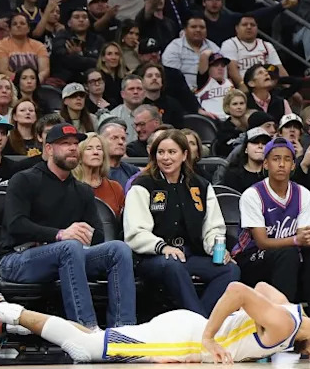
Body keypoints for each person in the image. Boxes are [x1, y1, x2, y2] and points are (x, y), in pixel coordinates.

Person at [0, 281, 310, 363]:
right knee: (87, 350)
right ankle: (4, 308)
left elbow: (262, 286)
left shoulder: (287, 309)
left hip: (184, 330)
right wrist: (211, 339)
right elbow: (236, 289)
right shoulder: (285, 324)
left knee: (97, 338)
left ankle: (10, 324)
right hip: (183, 339)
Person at [0, 123, 136, 330]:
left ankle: (123, 330)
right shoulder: (24, 179)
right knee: (69, 247)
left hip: (68, 257)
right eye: (64, 144)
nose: (72, 148)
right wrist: (60, 234)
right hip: (17, 259)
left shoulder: (82, 190)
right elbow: (16, 225)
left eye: (75, 144)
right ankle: (86, 329)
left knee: (118, 249)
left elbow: (97, 236)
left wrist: (85, 234)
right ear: (49, 149)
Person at [124, 129, 239, 315]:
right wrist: (162, 247)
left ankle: (199, 321)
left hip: (189, 255)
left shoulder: (201, 185)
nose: (166, 158)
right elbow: (135, 232)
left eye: (172, 152)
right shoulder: (142, 185)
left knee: (230, 270)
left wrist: (217, 250)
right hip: (153, 257)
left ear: (184, 155)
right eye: (161, 152)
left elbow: (213, 227)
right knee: (172, 264)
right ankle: (200, 326)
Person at [234, 137, 310, 320]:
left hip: (288, 254)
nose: (281, 164)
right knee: (288, 253)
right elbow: (261, 242)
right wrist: (296, 240)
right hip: (252, 257)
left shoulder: (303, 193)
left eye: (287, 159)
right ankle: (282, 324)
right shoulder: (252, 195)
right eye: (276, 159)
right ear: (266, 164)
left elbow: (304, 235)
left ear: (294, 165)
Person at [73, 133, 125, 216]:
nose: (95, 152)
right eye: (89, 148)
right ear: (79, 155)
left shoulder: (115, 188)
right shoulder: (70, 187)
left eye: (99, 148)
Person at [220, 127, 270, 192]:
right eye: (255, 142)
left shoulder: (274, 173)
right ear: (246, 149)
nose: (260, 146)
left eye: (264, 143)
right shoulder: (233, 174)